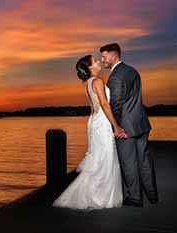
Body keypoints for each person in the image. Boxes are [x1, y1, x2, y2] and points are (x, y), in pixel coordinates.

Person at [52, 54, 124, 210]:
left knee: (98, 157)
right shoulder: (97, 81)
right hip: (102, 121)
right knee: (105, 157)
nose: (98, 61)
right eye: (95, 61)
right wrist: (116, 126)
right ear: (90, 67)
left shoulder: (87, 83)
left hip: (93, 121)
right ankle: (101, 197)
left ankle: (95, 194)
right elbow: (105, 105)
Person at [100, 43, 158, 207]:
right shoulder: (133, 71)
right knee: (144, 160)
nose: (102, 60)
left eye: (104, 56)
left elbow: (116, 104)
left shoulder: (116, 76)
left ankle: (134, 198)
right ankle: (152, 195)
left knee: (129, 163)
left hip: (126, 128)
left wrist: (116, 127)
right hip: (141, 123)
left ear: (114, 56)